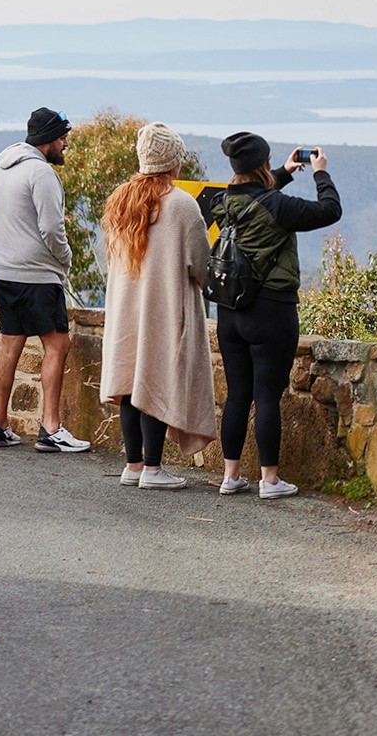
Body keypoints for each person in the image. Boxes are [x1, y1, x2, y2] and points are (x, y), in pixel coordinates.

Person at [213, 132, 342, 498]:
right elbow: (330, 210)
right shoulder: (278, 207)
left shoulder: (223, 201)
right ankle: (269, 480)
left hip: (229, 310)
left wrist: (283, 172)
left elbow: (254, 197)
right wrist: (320, 173)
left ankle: (230, 475)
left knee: (237, 394)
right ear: (262, 165)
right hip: (271, 309)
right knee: (267, 394)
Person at [98, 123, 217, 489]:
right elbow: (200, 264)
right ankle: (152, 468)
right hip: (164, 306)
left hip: (126, 306)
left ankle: (133, 465)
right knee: (156, 378)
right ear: (173, 162)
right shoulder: (181, 204)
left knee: (131, 383)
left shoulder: (121, 199)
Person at [0, 107, 91, 453]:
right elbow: (51, 227)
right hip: (38, 276)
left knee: (9, 346)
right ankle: (51, 428)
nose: (65, 143)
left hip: (3, 271)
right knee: (58, 345)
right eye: (62, 137)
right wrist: (66, 259)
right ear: (48, 139)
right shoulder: (42, 174)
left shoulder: (1, 170)